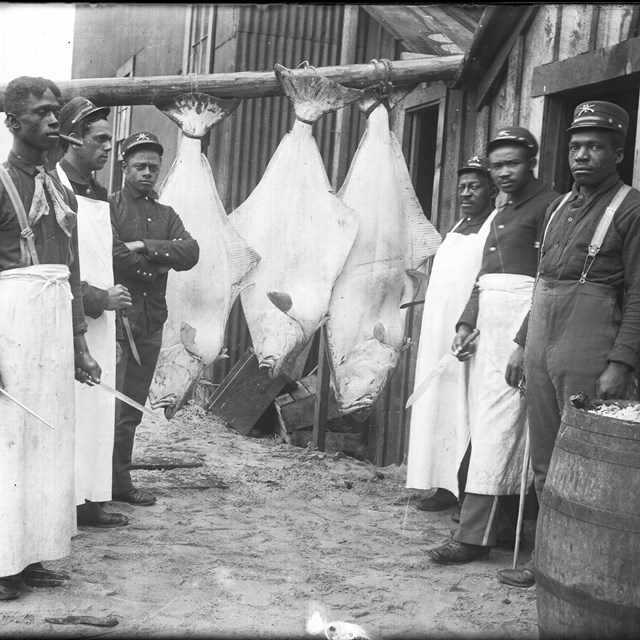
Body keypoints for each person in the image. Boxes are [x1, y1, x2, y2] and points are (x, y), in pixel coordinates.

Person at [497, 102, 640, 588]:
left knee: (583, 458)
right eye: (576, 146)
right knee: (544, 456)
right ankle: (548, 561)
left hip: (590, 338)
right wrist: (521, 343)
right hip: (542, 335)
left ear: (617, 153)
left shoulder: (631, 208)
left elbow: (639, 293)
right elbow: (542, 280)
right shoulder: (558, 206)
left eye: (595, 146)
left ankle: (584, 571)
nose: (582, 155)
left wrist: (620, 362)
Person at [426, 127, 560, 565]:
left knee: (502, 429)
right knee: (488, 428)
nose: (503, 173)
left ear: (532, 162)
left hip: (524, 328)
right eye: (497, 165)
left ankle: (472, 536)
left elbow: (547, 281)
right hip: (490, 327)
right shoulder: (501, 212)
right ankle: (500, 529)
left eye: (513, 164)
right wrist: (467, 322)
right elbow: (484, 279)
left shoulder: (551, 206)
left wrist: (524, 340)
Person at [0, 76, 101, 601]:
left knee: (47, 442)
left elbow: (73, 269)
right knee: (8, 446)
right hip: (10, 324)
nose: (54, 120)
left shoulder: (61, 187)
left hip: (53, 322)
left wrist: (80, 342)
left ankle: (32, 553)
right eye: (41, 113)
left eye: (55, 111)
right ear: (14, 123)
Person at [110, 132, 199, 506]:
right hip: (118, 322)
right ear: (125, 168)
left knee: (131, 408)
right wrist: (159, 264)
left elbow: (191, 251)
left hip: (150, 324)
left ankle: (119, 484)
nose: (147, 173)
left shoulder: (166, 215)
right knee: (108, 406)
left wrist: (146, 246)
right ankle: (96, 485)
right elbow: (112, 253)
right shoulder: (110, 207)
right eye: (140, 167)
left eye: (153, 168)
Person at [405, 156, 497, 515]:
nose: (466, 193)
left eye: (474, 186)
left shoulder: (493, 228)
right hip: (437, 331)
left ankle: (466, 492)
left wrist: (471, 326)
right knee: (437, 406)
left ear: (491, 189)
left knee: (467, 408)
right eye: (461, 187)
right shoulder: (457, 226)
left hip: (471, 333)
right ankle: (442, 485)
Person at [56, 97, 131, 528]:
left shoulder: (98, 193)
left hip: (102, 326)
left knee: (97, 413)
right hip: (74, 321)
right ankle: (69, 502)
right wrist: (99, 299)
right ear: (73, 141)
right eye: (100, 139)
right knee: (72, 411)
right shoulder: (58, 187)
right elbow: (61, 266)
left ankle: (90, 500)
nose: (108, 148)